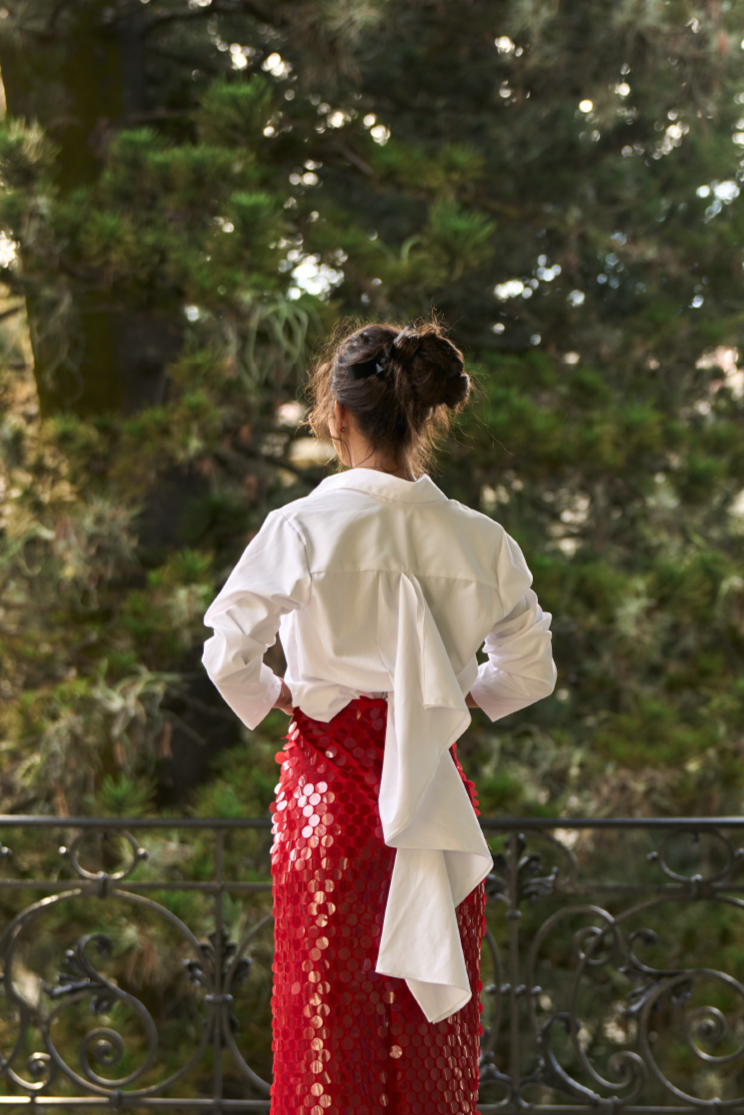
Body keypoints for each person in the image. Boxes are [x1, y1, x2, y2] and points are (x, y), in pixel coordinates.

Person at [201, 318, 557, 1115]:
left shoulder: (300, 528)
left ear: (339, 414)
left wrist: (283, 694)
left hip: (328, 800)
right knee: (431, 1036)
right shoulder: (482, 541)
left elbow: (227, 654)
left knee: (328, 1034)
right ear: (426, 414)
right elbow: (530, 671)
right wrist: (450, 694)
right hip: (431, 805)